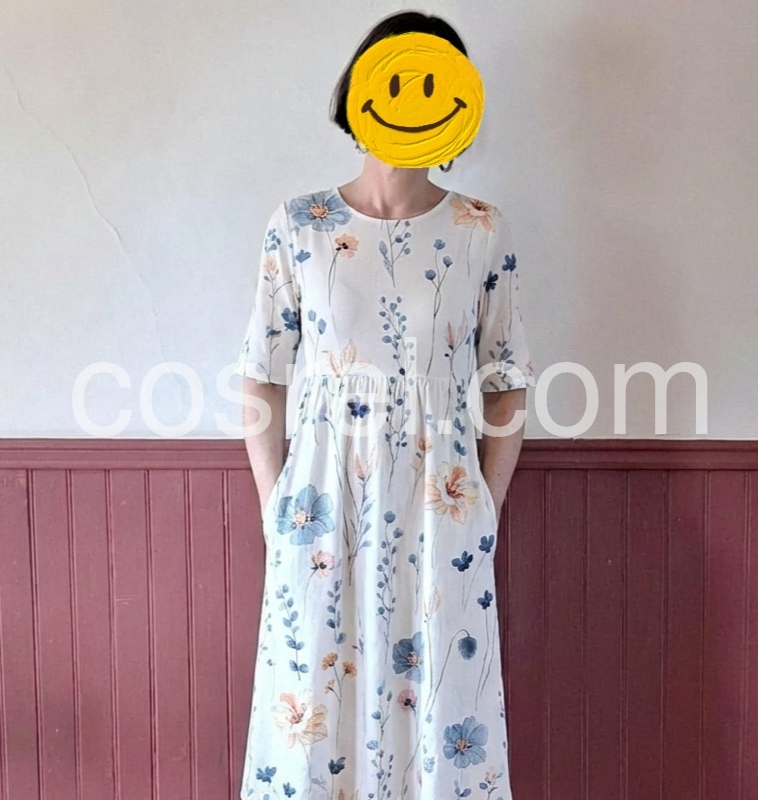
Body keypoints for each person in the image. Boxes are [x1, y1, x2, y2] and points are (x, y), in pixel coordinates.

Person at [236, 11, 536, 800]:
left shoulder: (479, 231)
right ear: (361, 89)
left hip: (442, 507)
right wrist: (276, 509)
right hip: (320, 505)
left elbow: (507, 380)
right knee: (314, 702)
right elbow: (261, 374)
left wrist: (484, 505)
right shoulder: (300, 226)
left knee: (438, 701)